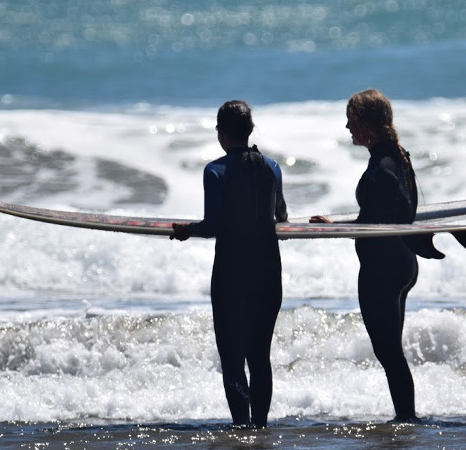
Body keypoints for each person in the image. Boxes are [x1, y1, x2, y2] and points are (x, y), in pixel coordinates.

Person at [170, 100, 288, 428]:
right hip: (267, 273)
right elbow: (281, 215)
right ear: (249, 131)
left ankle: (241, 428)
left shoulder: (215, 171)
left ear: (221, 133)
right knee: (260, 357)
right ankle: (260, 428)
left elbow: (214, 225)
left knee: (233, 362)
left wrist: (187, 231)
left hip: (231, 277)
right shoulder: (273, 168)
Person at [311, 89, 420, 422]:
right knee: (391, 351)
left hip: (381, 269)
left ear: (364, 125)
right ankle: (406, 417)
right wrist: (338, 223)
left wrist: (333, 230)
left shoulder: (382, 168)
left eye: (351, 120)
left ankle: (407, 420)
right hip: (403, 262)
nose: (347, 127)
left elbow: (373, 224)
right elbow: (383, 216)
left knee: (388, 352)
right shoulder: (399, 157)